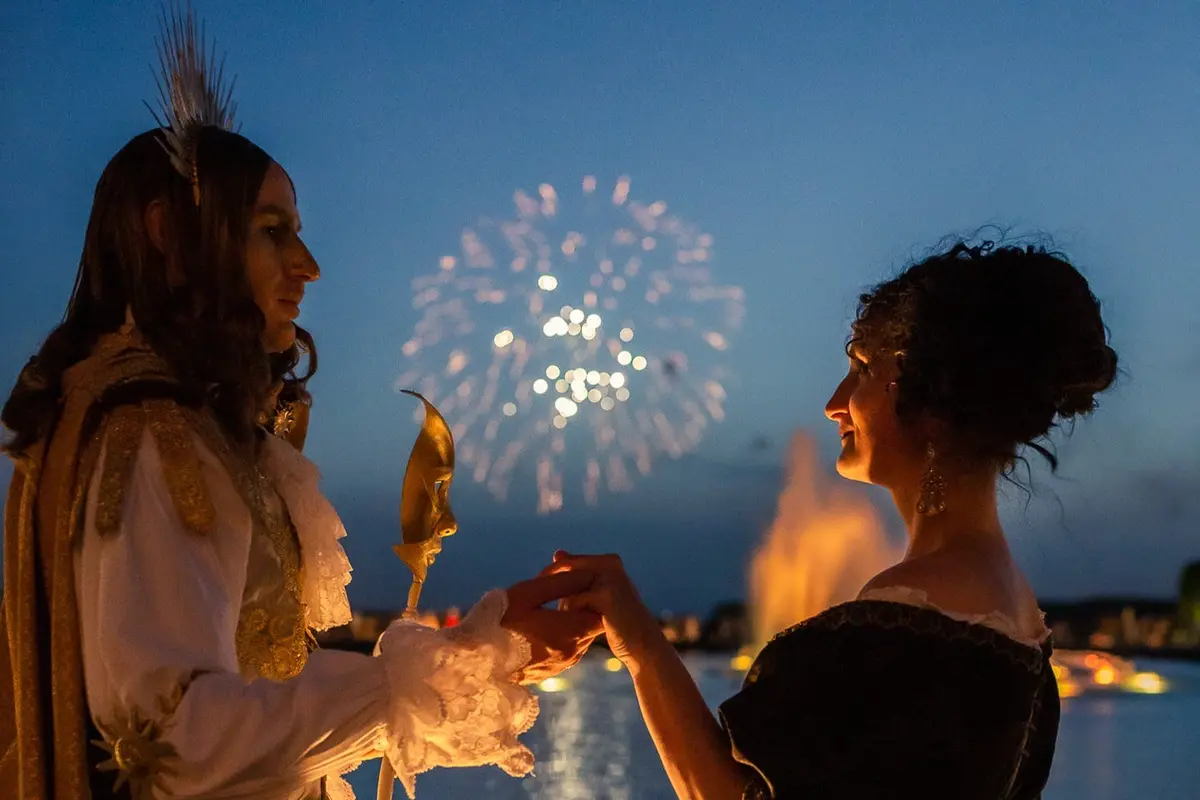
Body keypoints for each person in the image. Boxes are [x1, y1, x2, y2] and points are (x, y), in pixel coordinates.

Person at [0, 12, 600, 799]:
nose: (307, 266)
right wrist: (421, 684)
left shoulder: (151, 420)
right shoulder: (152, 434)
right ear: (172, 237)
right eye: (272, 231)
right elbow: (177, 740)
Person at [551, 240, 1118, 799]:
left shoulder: (906, 619)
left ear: (935, 403)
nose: (834, 401)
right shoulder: (1016, 615)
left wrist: (643, 650)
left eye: (863, 370)